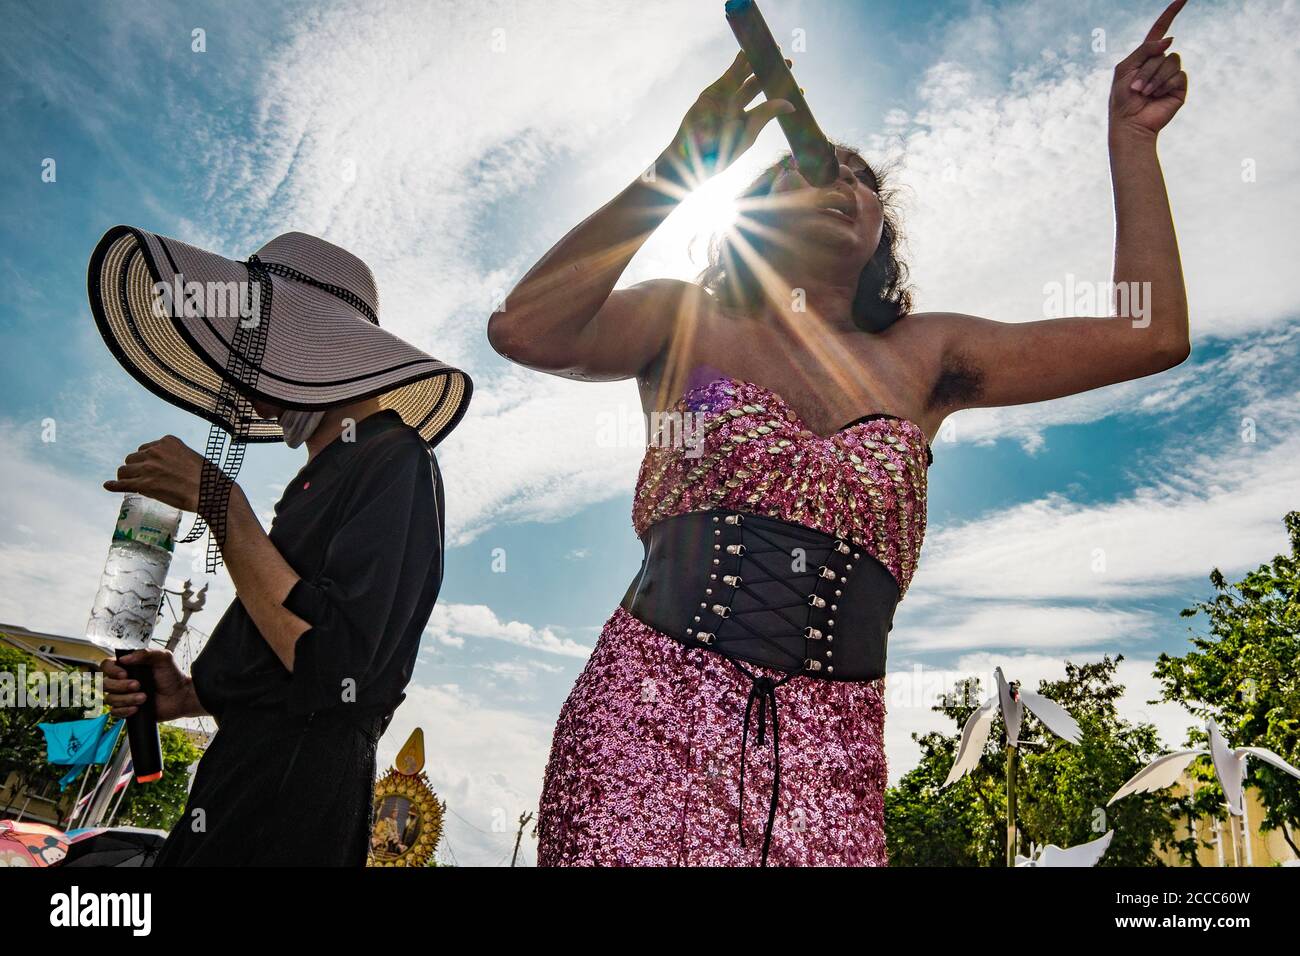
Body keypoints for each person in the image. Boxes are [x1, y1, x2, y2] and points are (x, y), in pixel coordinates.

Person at [488, 2, 1191, 866]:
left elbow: (1148, 335)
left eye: (860, 181)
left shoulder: (927, 353)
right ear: (745, 218)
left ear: (878, 233)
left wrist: (1133, 138)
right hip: (648, 713)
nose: (835, 182)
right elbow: (526, 329)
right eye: (798, 174)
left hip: (840, 748)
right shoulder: (681, 318)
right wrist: (675, 169)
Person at [91, 226, 471, 865]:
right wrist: (191, 693)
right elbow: (285, 641)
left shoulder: (395, 461)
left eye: (255, 338)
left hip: (293, 801)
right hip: (242, 777)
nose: (242, 365)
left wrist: (222, 504)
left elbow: (335, 661)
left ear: (315, 346)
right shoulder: (319, 479)